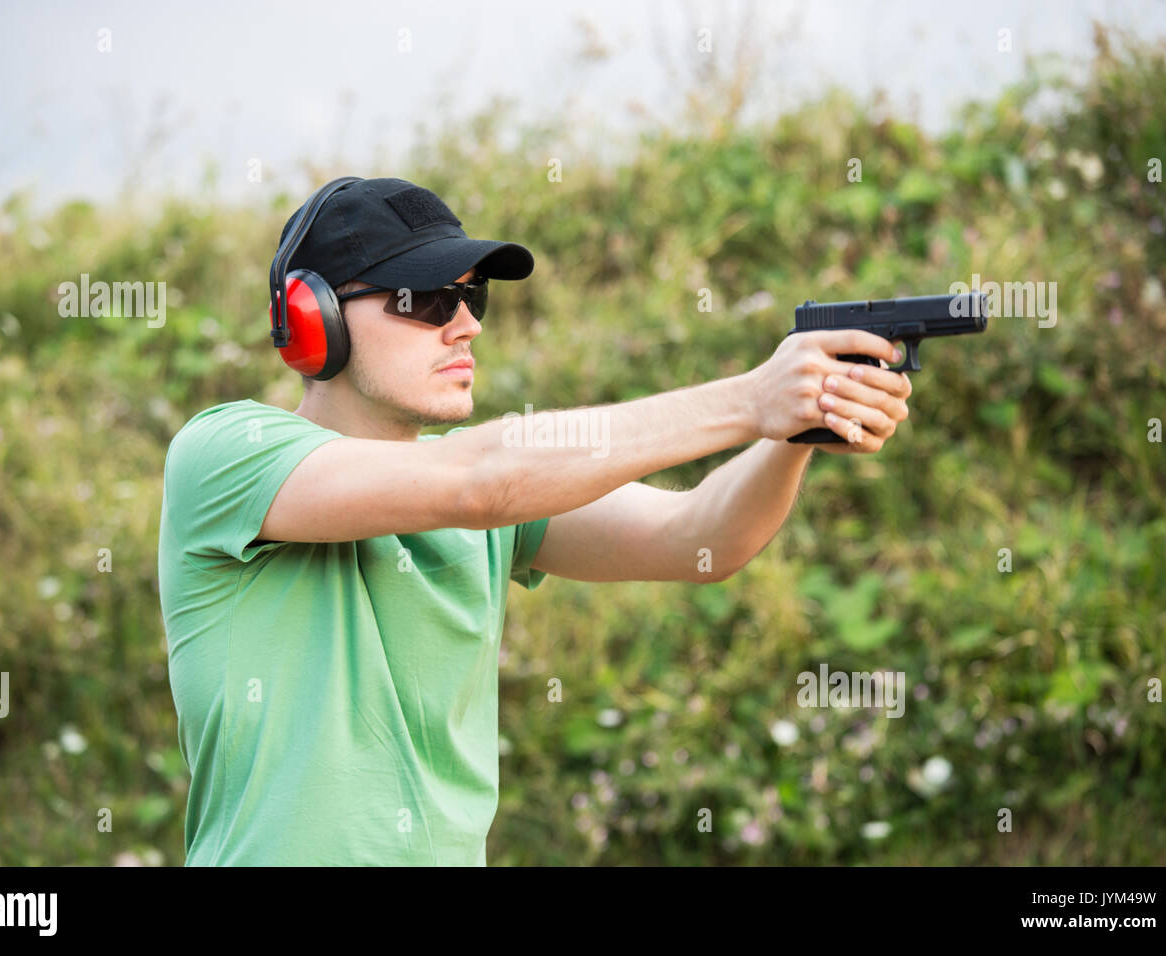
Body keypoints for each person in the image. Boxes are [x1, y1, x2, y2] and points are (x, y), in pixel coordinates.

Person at [157, 176, 911, 865]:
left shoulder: (488, 502)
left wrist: (801, 424)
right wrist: (748, 399)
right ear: (310, 315)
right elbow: (483, 479)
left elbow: (700, 538)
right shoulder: (227, 455)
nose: (465, 326)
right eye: (423, 300)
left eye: (472, 297)